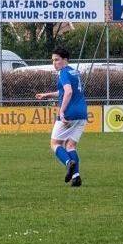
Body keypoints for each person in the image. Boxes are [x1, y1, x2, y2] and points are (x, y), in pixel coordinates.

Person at [35, 46, 87, 187]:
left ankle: (68, 162)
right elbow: (64, 91)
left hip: (69, 113)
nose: (54, 63)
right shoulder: (75, 72)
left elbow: (68, 92)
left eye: (57, 60)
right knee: (70, 145)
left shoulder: (63, 72)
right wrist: (47, 95)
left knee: (55, 143)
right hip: (82, 113)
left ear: (65, 60)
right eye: (53, 60)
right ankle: (76, 177)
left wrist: (62, 111)